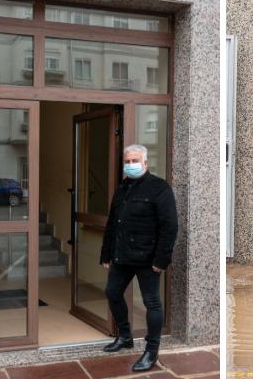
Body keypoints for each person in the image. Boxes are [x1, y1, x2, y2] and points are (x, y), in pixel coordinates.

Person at [100, 144, 178, 371]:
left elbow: (169, 225)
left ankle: (151, 352)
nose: (131, 165)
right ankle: (125, 336)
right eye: (128, 161)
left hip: (148, 259)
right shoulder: (123, 187)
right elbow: (113, 223)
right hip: (122, 256)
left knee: (151, 303)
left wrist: (161, 260)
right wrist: (106, 253)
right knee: (112, 292)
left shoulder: (159, 187)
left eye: (135, 161)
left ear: (145, 163)